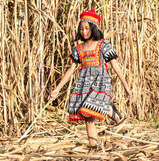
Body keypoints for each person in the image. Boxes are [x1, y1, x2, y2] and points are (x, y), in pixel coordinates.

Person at [48, 9, 132, 149]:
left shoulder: (103, 45)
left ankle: (108, 110)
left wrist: (126, 86)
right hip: (84, 83)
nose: (84, 31)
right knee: (87, 115)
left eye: (87, 28)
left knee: (88, 109)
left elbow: (115, 65)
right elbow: (71, 69)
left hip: (100, 82)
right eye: (81, 29)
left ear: (93, 28)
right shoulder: (79, 48)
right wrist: (57, 89)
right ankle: (94, 146)